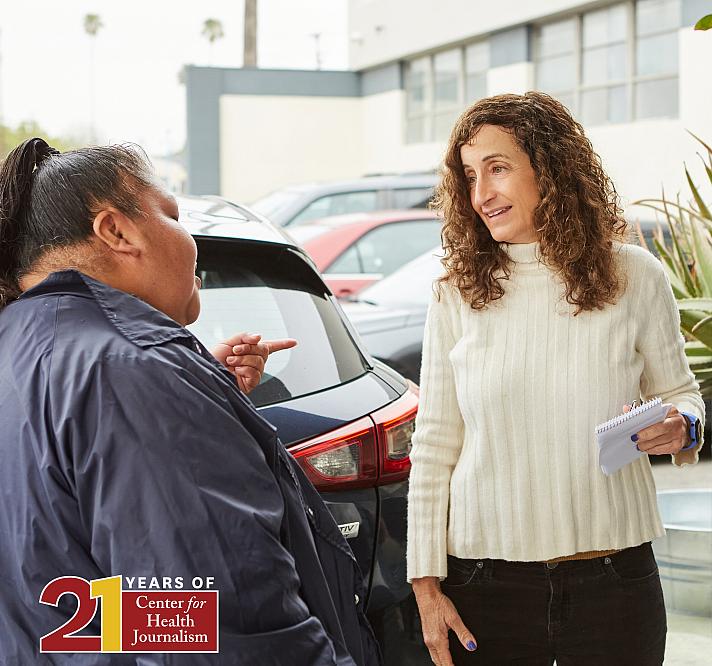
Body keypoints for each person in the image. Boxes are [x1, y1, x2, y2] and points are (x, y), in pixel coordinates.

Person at [0, 138, 381, 665]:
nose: (191, 238)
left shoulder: (24, 343)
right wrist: (172, 391)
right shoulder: (133, 375)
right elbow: (213, 626)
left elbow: (69, 594)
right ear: (117, 231)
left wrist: (200, 389)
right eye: (172, 214)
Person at [407, 92, 704, 666]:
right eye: (470, 176)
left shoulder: (635, 276)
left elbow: (682, 396)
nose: (481, 194)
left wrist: (683, 426)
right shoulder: (455, 292)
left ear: (552, 168)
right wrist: (425, 585)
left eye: (498, 168)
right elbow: (435, 444)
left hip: (615, 584)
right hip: (484, 589)